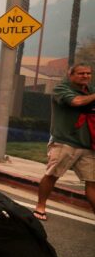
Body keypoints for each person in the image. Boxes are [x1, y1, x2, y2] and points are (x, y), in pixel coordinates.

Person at [33, 64, 95, 221]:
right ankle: (41, 206)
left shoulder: (90, 90)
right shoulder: (61, 89)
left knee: (92, 182)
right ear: (71, 75)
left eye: (88, 73)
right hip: (65, 142)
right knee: (52, 175)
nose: (86, 76)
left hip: (88, 145)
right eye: (81, 73)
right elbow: (76, 102)